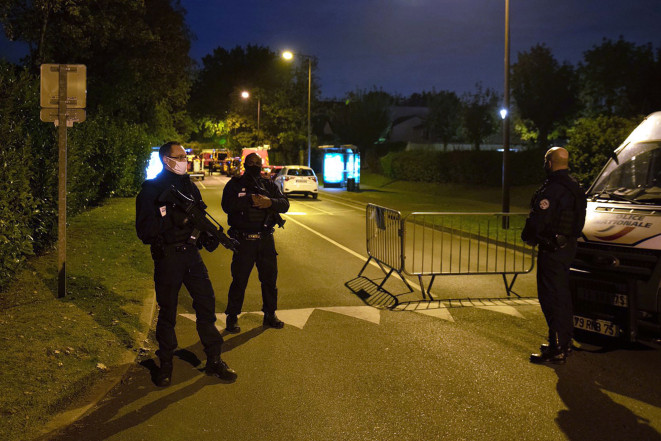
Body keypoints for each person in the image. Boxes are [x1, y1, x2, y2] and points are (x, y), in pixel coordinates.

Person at [136, 141, 237, 386]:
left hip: (191, 255)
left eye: (184, 156)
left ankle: (214, 359)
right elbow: (145, 232)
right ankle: (166, 365)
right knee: (168, 311)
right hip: (168, 257)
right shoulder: (151, 190)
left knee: (206, 305)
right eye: (179, 156)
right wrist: (174, 221)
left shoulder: (190, 188)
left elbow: (200, 218)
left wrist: (209, 237)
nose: (184, 160)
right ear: (165, 160)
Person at [522, 147, 587, 365]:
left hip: (551, 249)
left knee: (551, 297)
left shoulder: (553, 189)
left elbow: (539, 220)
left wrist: (528, 235)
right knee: (562, 294)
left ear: (549, 163)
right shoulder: (575, 186)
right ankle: (563, 341)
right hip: (567, 247)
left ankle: (557, 347)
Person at [222, 153, 290, 333]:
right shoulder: (234, 184)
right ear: (245, 165)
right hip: (244, 240)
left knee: (269, 280)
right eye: (251, 163)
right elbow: (226, 206)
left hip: (265, 239)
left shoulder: (268, 185)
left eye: (257, 164)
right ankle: (232, 316)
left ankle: (270, 314)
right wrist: (248, 200)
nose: (254, 166)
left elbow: (285, 204)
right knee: (239, 280)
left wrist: (270, 202)